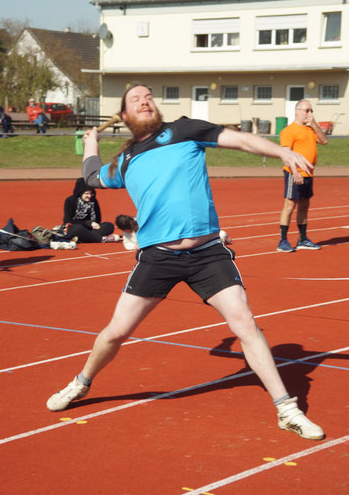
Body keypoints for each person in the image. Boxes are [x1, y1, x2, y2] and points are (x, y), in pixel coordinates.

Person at [46, 84, 324, 441]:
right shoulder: (126, 160)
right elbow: (91, 177)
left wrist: (280, 150)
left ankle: (287, 409)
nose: (145, 100)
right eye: (135, 99)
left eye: (148, 97)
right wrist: (91, 146)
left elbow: (240, 141)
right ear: (126, 116)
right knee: (115, 333)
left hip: (207, 252)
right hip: (158, 257)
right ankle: (81, 383)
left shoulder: (184, 130)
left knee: (246, 323)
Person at [277, 99, 328, 253]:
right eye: (307, 110)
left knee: (304, 205)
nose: (310, 114)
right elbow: (286, 154)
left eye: (311, 111)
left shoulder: (310, 129)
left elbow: (324, 141)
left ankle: (303, 239)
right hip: (295, 173)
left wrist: (314, 124)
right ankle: (283, 241)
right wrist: (295, 171)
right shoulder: (289, 130)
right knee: (290, 205)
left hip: (308, 174)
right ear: (297, 111)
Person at [63, 177, 119, 243]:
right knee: (77, 229)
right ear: (80, 193)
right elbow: (68, 221)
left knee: (109, 226)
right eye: (86, 193)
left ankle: (86, 237)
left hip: (91, 229)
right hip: (75, 227)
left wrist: (94, 224)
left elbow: (98, 219)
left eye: (91, 193)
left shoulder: (93, 201)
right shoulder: (70, 200)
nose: (89, 196)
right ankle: (101, 239)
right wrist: (89, 223)